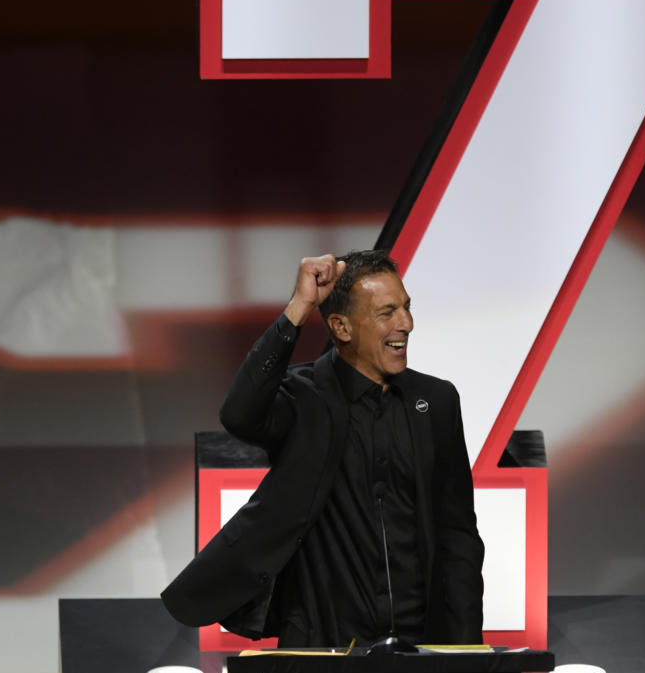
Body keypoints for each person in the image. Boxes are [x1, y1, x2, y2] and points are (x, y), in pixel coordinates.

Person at [161, 249, 484, 647]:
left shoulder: (436, 400)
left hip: (420, 639)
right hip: (321, 640)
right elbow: (239, 413)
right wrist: (298, 308)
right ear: (341, 327)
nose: (407, 324)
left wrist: (468, 648)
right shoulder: (302, 397)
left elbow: (459, 534)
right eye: (387, 313)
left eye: (406, 307)